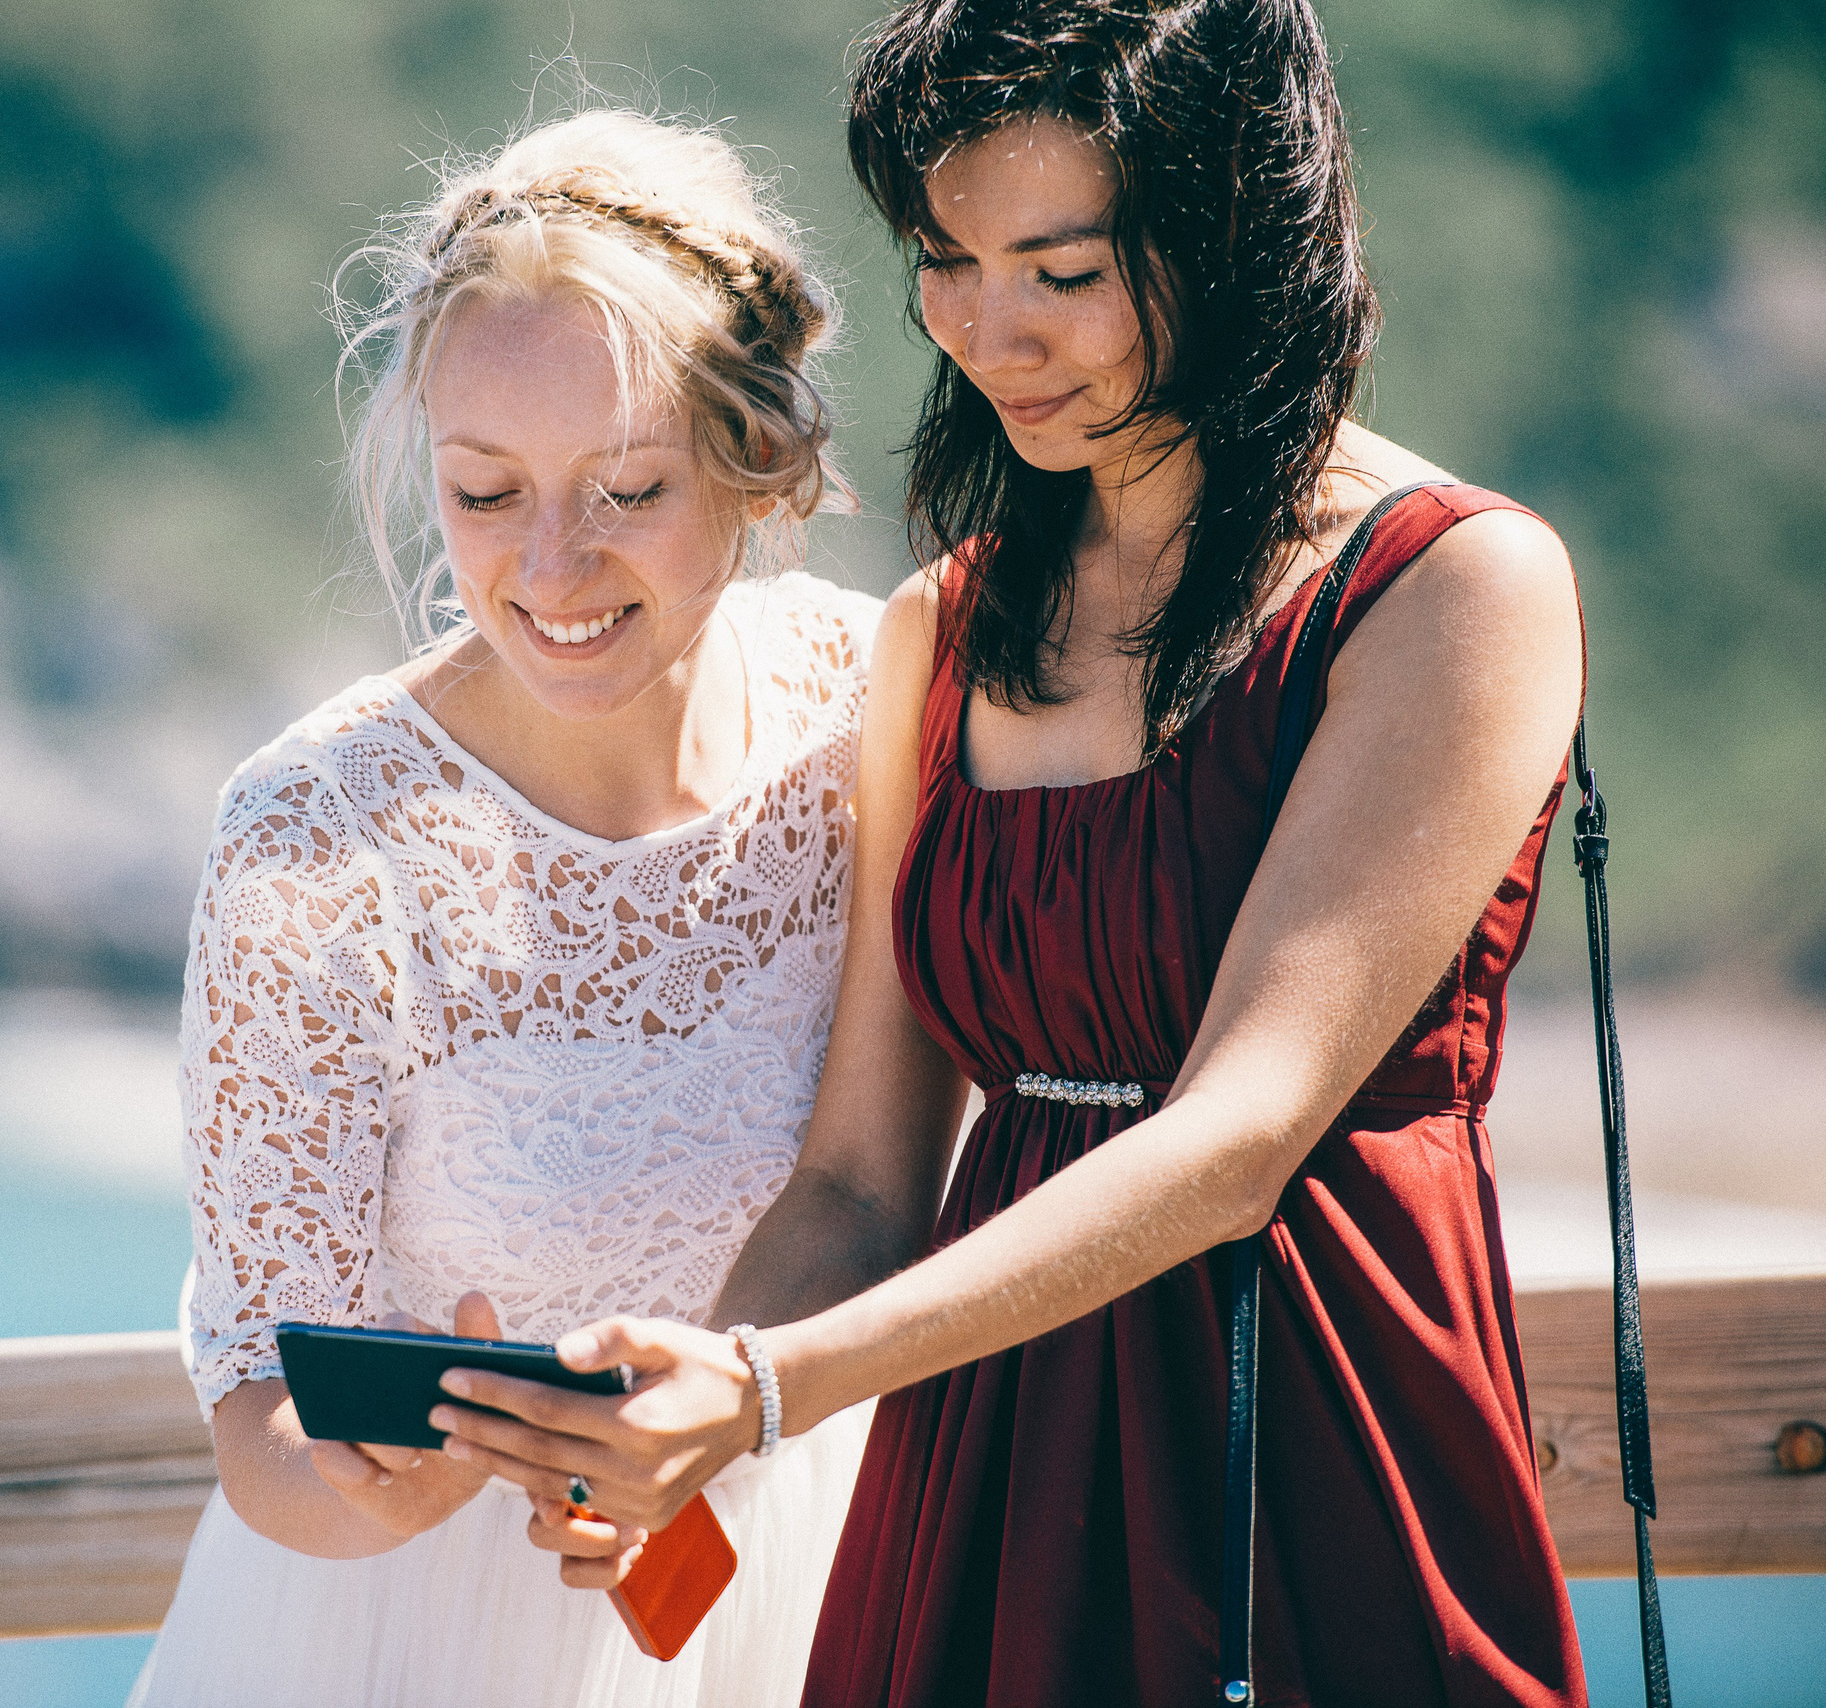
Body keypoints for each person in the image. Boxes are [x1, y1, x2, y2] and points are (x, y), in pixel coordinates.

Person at [431, 5, 1594, 1704]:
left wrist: (766, 1392)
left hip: (1319, 1439)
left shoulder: (1451, 589)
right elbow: (859, 1183)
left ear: (1234, 228)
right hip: (986, 1483)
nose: (992, 333)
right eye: (947, 261)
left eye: (1062, 270)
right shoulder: (947, 625)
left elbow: (1238, 1139)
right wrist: (683, 1398)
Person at [129, 107, 882, 1708]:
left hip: (833, 1588)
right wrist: (350, 1488)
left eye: (626, 488)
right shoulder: (311, 838)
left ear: (752, 458)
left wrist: (730, 1413)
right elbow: (258, 1398)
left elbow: (884, 1180)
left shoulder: (871, 705)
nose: (553, 566)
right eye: (484, 495)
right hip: (422, 1645)